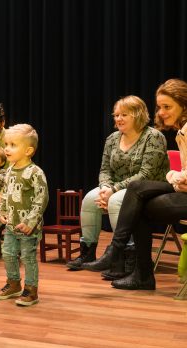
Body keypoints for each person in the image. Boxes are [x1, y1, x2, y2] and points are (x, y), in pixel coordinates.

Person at [98, 78, 187, 290]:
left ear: (183, 105)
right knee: (137, 191)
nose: (162, 112)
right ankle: (121, 255)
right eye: (160, 107)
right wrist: (177, 175)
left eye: (167, 107)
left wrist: (178, 177)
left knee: (139, 203)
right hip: (182, 188)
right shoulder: (181, 133)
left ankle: (135, 267)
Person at [66, 95, 169, 272]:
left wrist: (113, 190)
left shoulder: (153, 137)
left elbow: (146, 174)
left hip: (150, 188)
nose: (118, 119)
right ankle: (87, 252)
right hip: (117, 188)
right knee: (89, 200)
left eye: (124, 115)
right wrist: (105, 187)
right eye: (116, 115)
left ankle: (127, 257)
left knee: (116, 201)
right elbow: (105, 170)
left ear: (138, 115)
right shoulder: (112, 139)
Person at [0, 124, 49, 306]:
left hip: (28, 227)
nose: (7, 149)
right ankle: (14, 283)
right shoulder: (9, 170)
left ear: (28, 150)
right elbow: (6, 192)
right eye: (6, 144)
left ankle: (31, 290)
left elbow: (41, 199)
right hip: (11, 224)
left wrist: (30, 221)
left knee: (27, 257)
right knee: (8, 254)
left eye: (12, 145)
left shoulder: (35, 173)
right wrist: (2, 210)